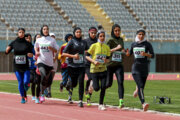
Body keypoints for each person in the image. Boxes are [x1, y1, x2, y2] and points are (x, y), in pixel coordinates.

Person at [126, 28, 154, 111]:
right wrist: (127, 53)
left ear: (144, 35)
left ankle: (137, 90)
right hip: (136, 68)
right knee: (140, 86)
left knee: (141, 86)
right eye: (139, 34)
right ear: (137, 35)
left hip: (144, 68)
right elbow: (129, 54)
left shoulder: (147, 44)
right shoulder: (133, 44)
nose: (141, 36)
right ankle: (143, 103)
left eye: (142, 34)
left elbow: (153, 55)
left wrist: (146, 54)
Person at [5, 28, 33, 104]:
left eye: (23, 32)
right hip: (17, 66)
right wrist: (7, 50)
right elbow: (7, 52)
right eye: (20, 32)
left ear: (24, 33)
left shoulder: (27, 43)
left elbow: (32, 52)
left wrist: (31, 54)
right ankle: (23, 97)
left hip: (25, 65)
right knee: (20, 82)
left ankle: (26, 87)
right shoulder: (14, 42)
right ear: (17, 33)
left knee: (26, 81)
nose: (21, 33)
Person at [62, 27, 88, 107]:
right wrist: (73, 56)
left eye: (80, 32)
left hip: (81, 66)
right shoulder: (71, 41)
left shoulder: (84, 42)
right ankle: (69, 83)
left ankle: (80, 101)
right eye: (77, 32)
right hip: (72, 66)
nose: (79, 33)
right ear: (74, 33)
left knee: (81, 82)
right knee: (74, 84)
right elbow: (63, 54)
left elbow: (87, 51)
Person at [86, 30, 110, 110]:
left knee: (103, 87)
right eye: (101, 36)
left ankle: (100, 104)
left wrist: (106, 60)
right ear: (98, 37)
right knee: (96, 88)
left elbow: (108, 59)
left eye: (103, 36)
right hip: (94, 70)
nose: (102, 37)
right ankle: (92, 85)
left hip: (103, 70)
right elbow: (87, 56)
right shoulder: (94, 46)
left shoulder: (107, 47)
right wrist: (94, 61)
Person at [34, 25, 59, 103]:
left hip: (49, 63)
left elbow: (56, 50)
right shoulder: (39, 40)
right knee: (43, 75)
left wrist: (51, 48)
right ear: (42, 30)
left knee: (48, 82)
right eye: (44, 29)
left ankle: (42, 92)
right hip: (41, 61)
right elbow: (35, 46)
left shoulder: (52, 40)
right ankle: (41, 95)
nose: (46, 30)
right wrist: (37, 52)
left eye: (47, 29)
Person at [106, 24, 126, 108]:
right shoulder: (110, 40)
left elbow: (121, 50)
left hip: (118, 65)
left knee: (120, 82)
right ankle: (102, 95)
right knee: (108, 84)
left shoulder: (121, 40)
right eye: (116, 31)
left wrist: (124, 51)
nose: (117, 32)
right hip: (110, 65)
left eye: (119, 31)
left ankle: (121, 101)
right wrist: (116, 48)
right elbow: (106, 52)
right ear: (113, 31)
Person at [84, 27, 97, 106]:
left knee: (93, 82)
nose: (93, 34)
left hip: (95, 64)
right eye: (92, 33)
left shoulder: (97, 41)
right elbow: (83, 50)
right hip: (87, 64)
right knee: (90, 78)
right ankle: (86, 89)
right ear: (89, 32)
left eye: (95, 33)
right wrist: (89, 51)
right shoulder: (85, 41)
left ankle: (89, 97)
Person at [58, 33, 73, 103]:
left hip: (72, 66)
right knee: (65, 82)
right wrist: (61, 57)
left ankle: (70, 97)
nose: (70, 39)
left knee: (71, 82)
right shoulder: (63, 46)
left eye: (71, 38)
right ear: (66, 39)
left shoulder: (74, 46)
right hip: (64, 66)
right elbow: (59, 55)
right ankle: (62, 84)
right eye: (69, 38)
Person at [44, 33, 58, 98]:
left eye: (53, 36)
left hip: (54, 64)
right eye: (51, 36)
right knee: (47, 77)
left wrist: (56, 57)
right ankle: (46, 91)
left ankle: (49, 91)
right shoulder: (46, 45)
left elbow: (58, 54)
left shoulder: (56, 45)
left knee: (51, 79)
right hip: (48, 63)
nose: (52, 38)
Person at [29, 33, 41, 104]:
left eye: (40, 37)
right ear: (35, 39)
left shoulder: (42, 47)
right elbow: (30, 55)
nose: (38, 39)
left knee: (38, 82)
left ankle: (38, 96)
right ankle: (33, 95)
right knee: (33, 81)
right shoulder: (32, 47)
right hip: (33, 67)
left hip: (39, 67)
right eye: (37, 38)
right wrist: (34, 60)